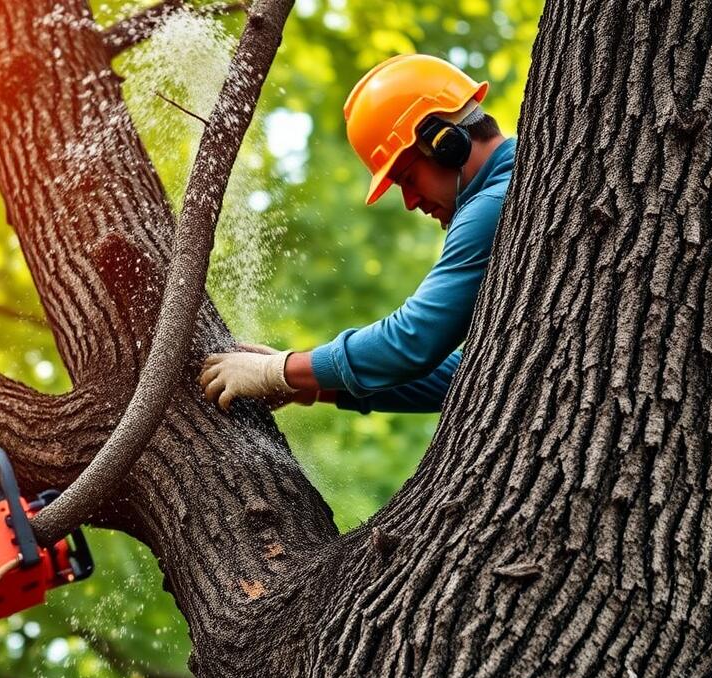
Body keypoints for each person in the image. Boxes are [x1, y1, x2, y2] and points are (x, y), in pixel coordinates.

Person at [200, 54, 515, 413]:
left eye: (408, 178)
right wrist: (310, 385)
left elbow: (412, 340)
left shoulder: (492, 205)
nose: (411, 202)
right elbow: (473, 377)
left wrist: (280, 371)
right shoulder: (509, 195)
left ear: (447, 143)